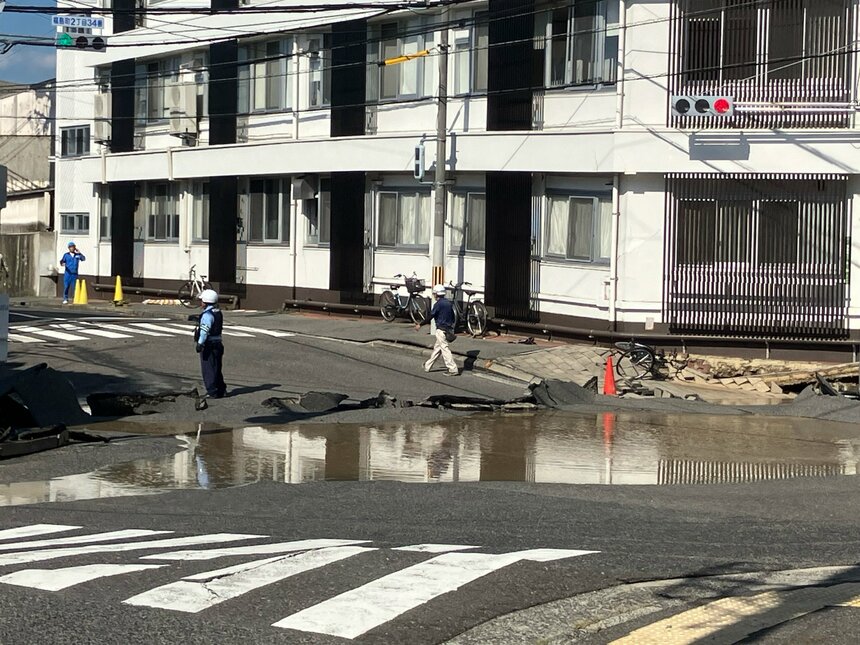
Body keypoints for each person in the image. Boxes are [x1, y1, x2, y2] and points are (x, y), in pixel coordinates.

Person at [415, 284, 459, 376]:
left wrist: (420, 324)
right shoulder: (448, 303)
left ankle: (452, 368)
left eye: (434, 293)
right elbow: (453, 317)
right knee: (437, 349)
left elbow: (431, 316)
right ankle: (427, 365)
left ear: (436, 294)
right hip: (448, 329)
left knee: (444, 349)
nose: (434, 295)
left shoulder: (438, 304)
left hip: (441, 330)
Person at [195, 289, 227, 398]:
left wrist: (200, 344)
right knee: (217, 368)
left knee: (208, 369)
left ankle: (212, 392)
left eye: (202, 301)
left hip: (209, 345)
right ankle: (221, 389)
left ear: (205, 302)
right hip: (218, 344)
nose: (201, 303)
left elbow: (204, 331)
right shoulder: (218, 312)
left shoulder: (207, 315)